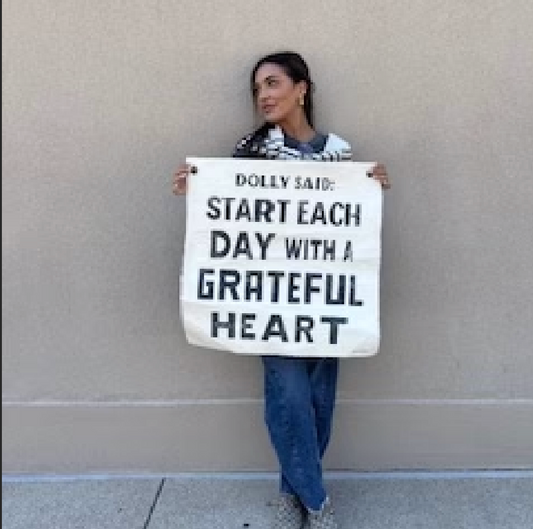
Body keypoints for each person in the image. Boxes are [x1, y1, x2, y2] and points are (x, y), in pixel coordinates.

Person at [173, 51, 390, 529]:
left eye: (272, 84)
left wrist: (372, 186)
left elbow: (347, 221)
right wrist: (198, 190)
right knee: (288, 396)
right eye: (258, 89)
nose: (264, 96)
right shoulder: (252, 151)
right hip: (270, 302)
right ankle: (318, 503)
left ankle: (289, 495)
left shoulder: (339, 153)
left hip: (324, 299)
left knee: (318, 401)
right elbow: (230, 207)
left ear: (301, 88)